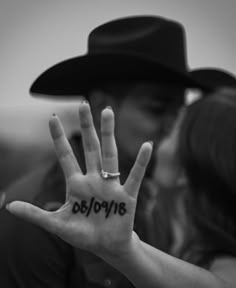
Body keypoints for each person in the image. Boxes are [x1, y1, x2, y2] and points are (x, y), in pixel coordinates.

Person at [0, 15, 208, 287]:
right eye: (157, 109)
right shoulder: (38, 209)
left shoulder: (162, 198)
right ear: (101, 107)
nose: (174, 127)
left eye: (180, 111)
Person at [8, 91, 236, 287]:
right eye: (156, 109)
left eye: (178, 117)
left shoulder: (150, 210)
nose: (168, 126)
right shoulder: (42, 203)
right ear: (100, 104)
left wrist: (126, 252)